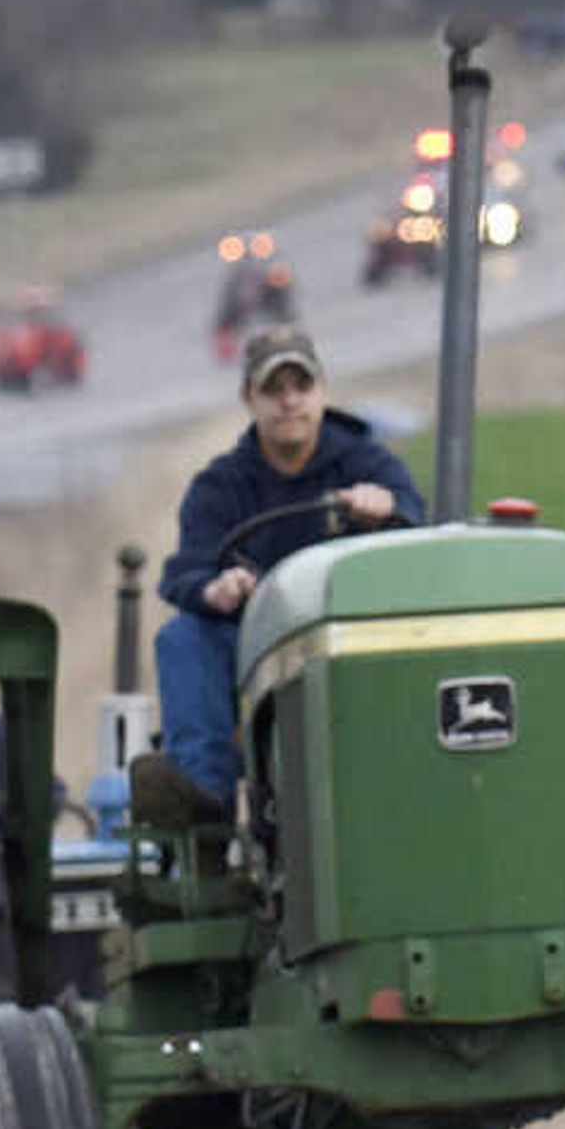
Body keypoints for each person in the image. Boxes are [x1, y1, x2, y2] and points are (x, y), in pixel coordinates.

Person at [142, 323, 424, 826]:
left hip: (347, 637)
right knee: (183, 637)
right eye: (273, 389)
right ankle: (205, 810)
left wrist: (389, 509)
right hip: (253, 642)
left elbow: (418, 520)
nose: (289, 401)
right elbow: (185, 572)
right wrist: (216, 588)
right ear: (250, 399)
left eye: (301, 386)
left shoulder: (367, 463)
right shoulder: (220, 485)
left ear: (322, 391)